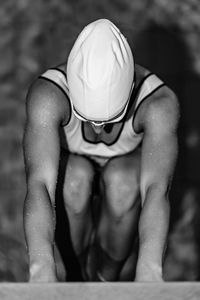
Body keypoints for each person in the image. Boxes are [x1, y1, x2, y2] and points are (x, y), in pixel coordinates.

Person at [23, 19, 179, 282]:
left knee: (124, 183)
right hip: (73, 172)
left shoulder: (159, 105)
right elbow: (41, 185)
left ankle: (107, 277)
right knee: (74, 179)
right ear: (71, 90)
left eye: (110, 120)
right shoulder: (48, 98)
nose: (97, 130)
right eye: (87, 118)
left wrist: (150, 269)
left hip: (123, 171)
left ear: (131, 90)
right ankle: (76, 274)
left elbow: (156, 189)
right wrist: (40, 267)